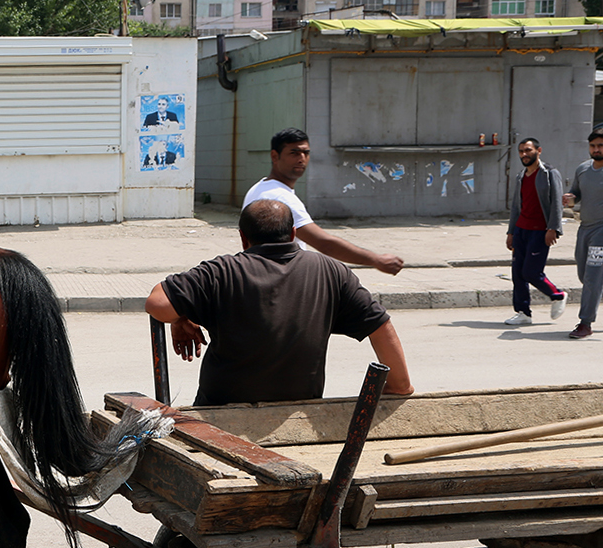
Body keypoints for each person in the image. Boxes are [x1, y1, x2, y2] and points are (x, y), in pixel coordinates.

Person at [144, 199, 414, 406]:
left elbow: (157, 303)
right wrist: (399, 384)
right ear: (293, 233)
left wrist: (180, 316)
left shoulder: (222, 271)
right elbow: (379, 324)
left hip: (221, 411)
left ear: (243, 237)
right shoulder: (332, 271)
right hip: (299, 411)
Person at [242, 128, 404, 275]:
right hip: (280, 280)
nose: (301, 158)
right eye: (294, 153)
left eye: (306, 152)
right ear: (275, 156)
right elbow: (323, 243)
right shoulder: (279, 197)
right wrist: (376, 260)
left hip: (263, 275)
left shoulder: (260, 187)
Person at [562, 129, 603, 339]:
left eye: (601, 145)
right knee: (585, 275)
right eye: (592, 146)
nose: (596, 149)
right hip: (586, 227)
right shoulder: (583, 168)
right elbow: (577, 194)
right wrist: (570, 198)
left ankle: (585, 323)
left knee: (593, 275)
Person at [505, 136, 567, 326]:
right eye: (521, 151)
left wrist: (554, 228)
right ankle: (523, 312)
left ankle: (557, 294)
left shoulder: (549, 174)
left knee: (531, 272)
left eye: (528, 150)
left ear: (538, 151)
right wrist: (511, 232)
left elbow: (557, 202)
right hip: (521, 230)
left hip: (540, 231)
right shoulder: (520, 176)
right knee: (517, 274)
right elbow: (516, 206)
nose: (524, 154)